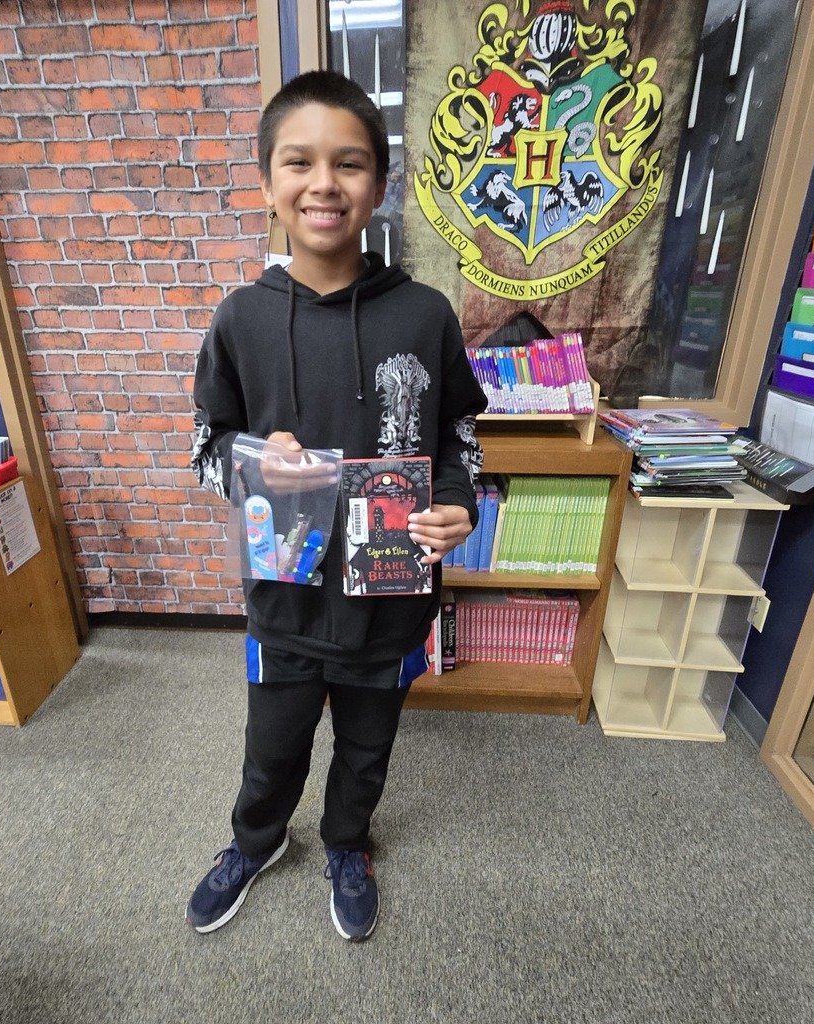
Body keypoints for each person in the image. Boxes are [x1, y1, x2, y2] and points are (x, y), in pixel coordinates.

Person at [187, 69, 487, 942]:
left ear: (379, 185)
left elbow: (458, 439)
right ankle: (256, 840)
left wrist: (460, 506)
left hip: (389, 602)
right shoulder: (239, 317)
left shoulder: (425, 315)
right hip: (283, 597)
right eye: (300, 162)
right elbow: (206, 448)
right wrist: (251, 462)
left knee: (367, 746)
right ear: (269, 184)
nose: (325, 183)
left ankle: (348, 842)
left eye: (349, 163)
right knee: (271, 743)